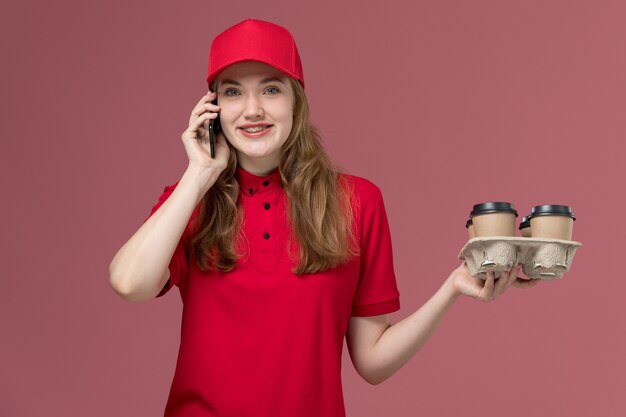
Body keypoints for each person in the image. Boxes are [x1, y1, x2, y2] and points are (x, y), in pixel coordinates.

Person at [109, 18, 538, 417]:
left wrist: (452, 288)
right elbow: (130, 283)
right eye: (233, 92)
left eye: (271, 89)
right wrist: (199, 174)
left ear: (297, 99)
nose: (252, 109)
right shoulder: (191, 199)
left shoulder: (358, 202)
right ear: (212, 107)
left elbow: (372, 361)